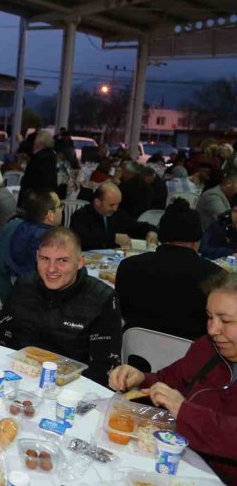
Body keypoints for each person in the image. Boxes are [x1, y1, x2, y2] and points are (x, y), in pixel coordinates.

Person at [108, 273, 237, 484]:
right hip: (178, 458)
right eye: (209, 317)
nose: (213, 330)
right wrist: (140, 379)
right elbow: (169, 380)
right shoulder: (207, 348)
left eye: (225, 320)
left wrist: (184, 410)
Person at [0, 227, 122, 382]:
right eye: (45, 259)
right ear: (37, 257)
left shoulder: (102, 298)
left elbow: (105, 368)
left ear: (79, 262)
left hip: (70, 387)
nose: (51, 269)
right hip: (16, 377)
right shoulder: (25, 285)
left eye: (62, 260)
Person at [116, 200, 226, 340]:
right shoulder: (216, 277)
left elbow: (123, 313)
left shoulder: (128, 266)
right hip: (191, 356)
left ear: (161, 235)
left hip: (136, 352)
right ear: (197, 239)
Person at [0, 190, 63, 307]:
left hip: (0, 288)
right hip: (26, 298)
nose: (62, 210)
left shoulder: (15, 225)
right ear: (50, 215)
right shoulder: (47, 239)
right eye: (60, 206)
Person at [69, 182, 158, 251]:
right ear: (97, 202)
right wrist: (113, 238)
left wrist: (151, 231)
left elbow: (136, 226)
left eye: (117, 204)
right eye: (111, 205)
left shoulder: (118, 214)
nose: (115, 208)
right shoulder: (81, 215)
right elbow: (83, 238)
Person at [18, 130, 57, 203]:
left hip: (36, 196)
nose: (34, 143)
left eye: (36, 140)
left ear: (40, 143)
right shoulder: (51, 156)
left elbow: (34, 178)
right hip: (46, 196)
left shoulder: (39, 157)